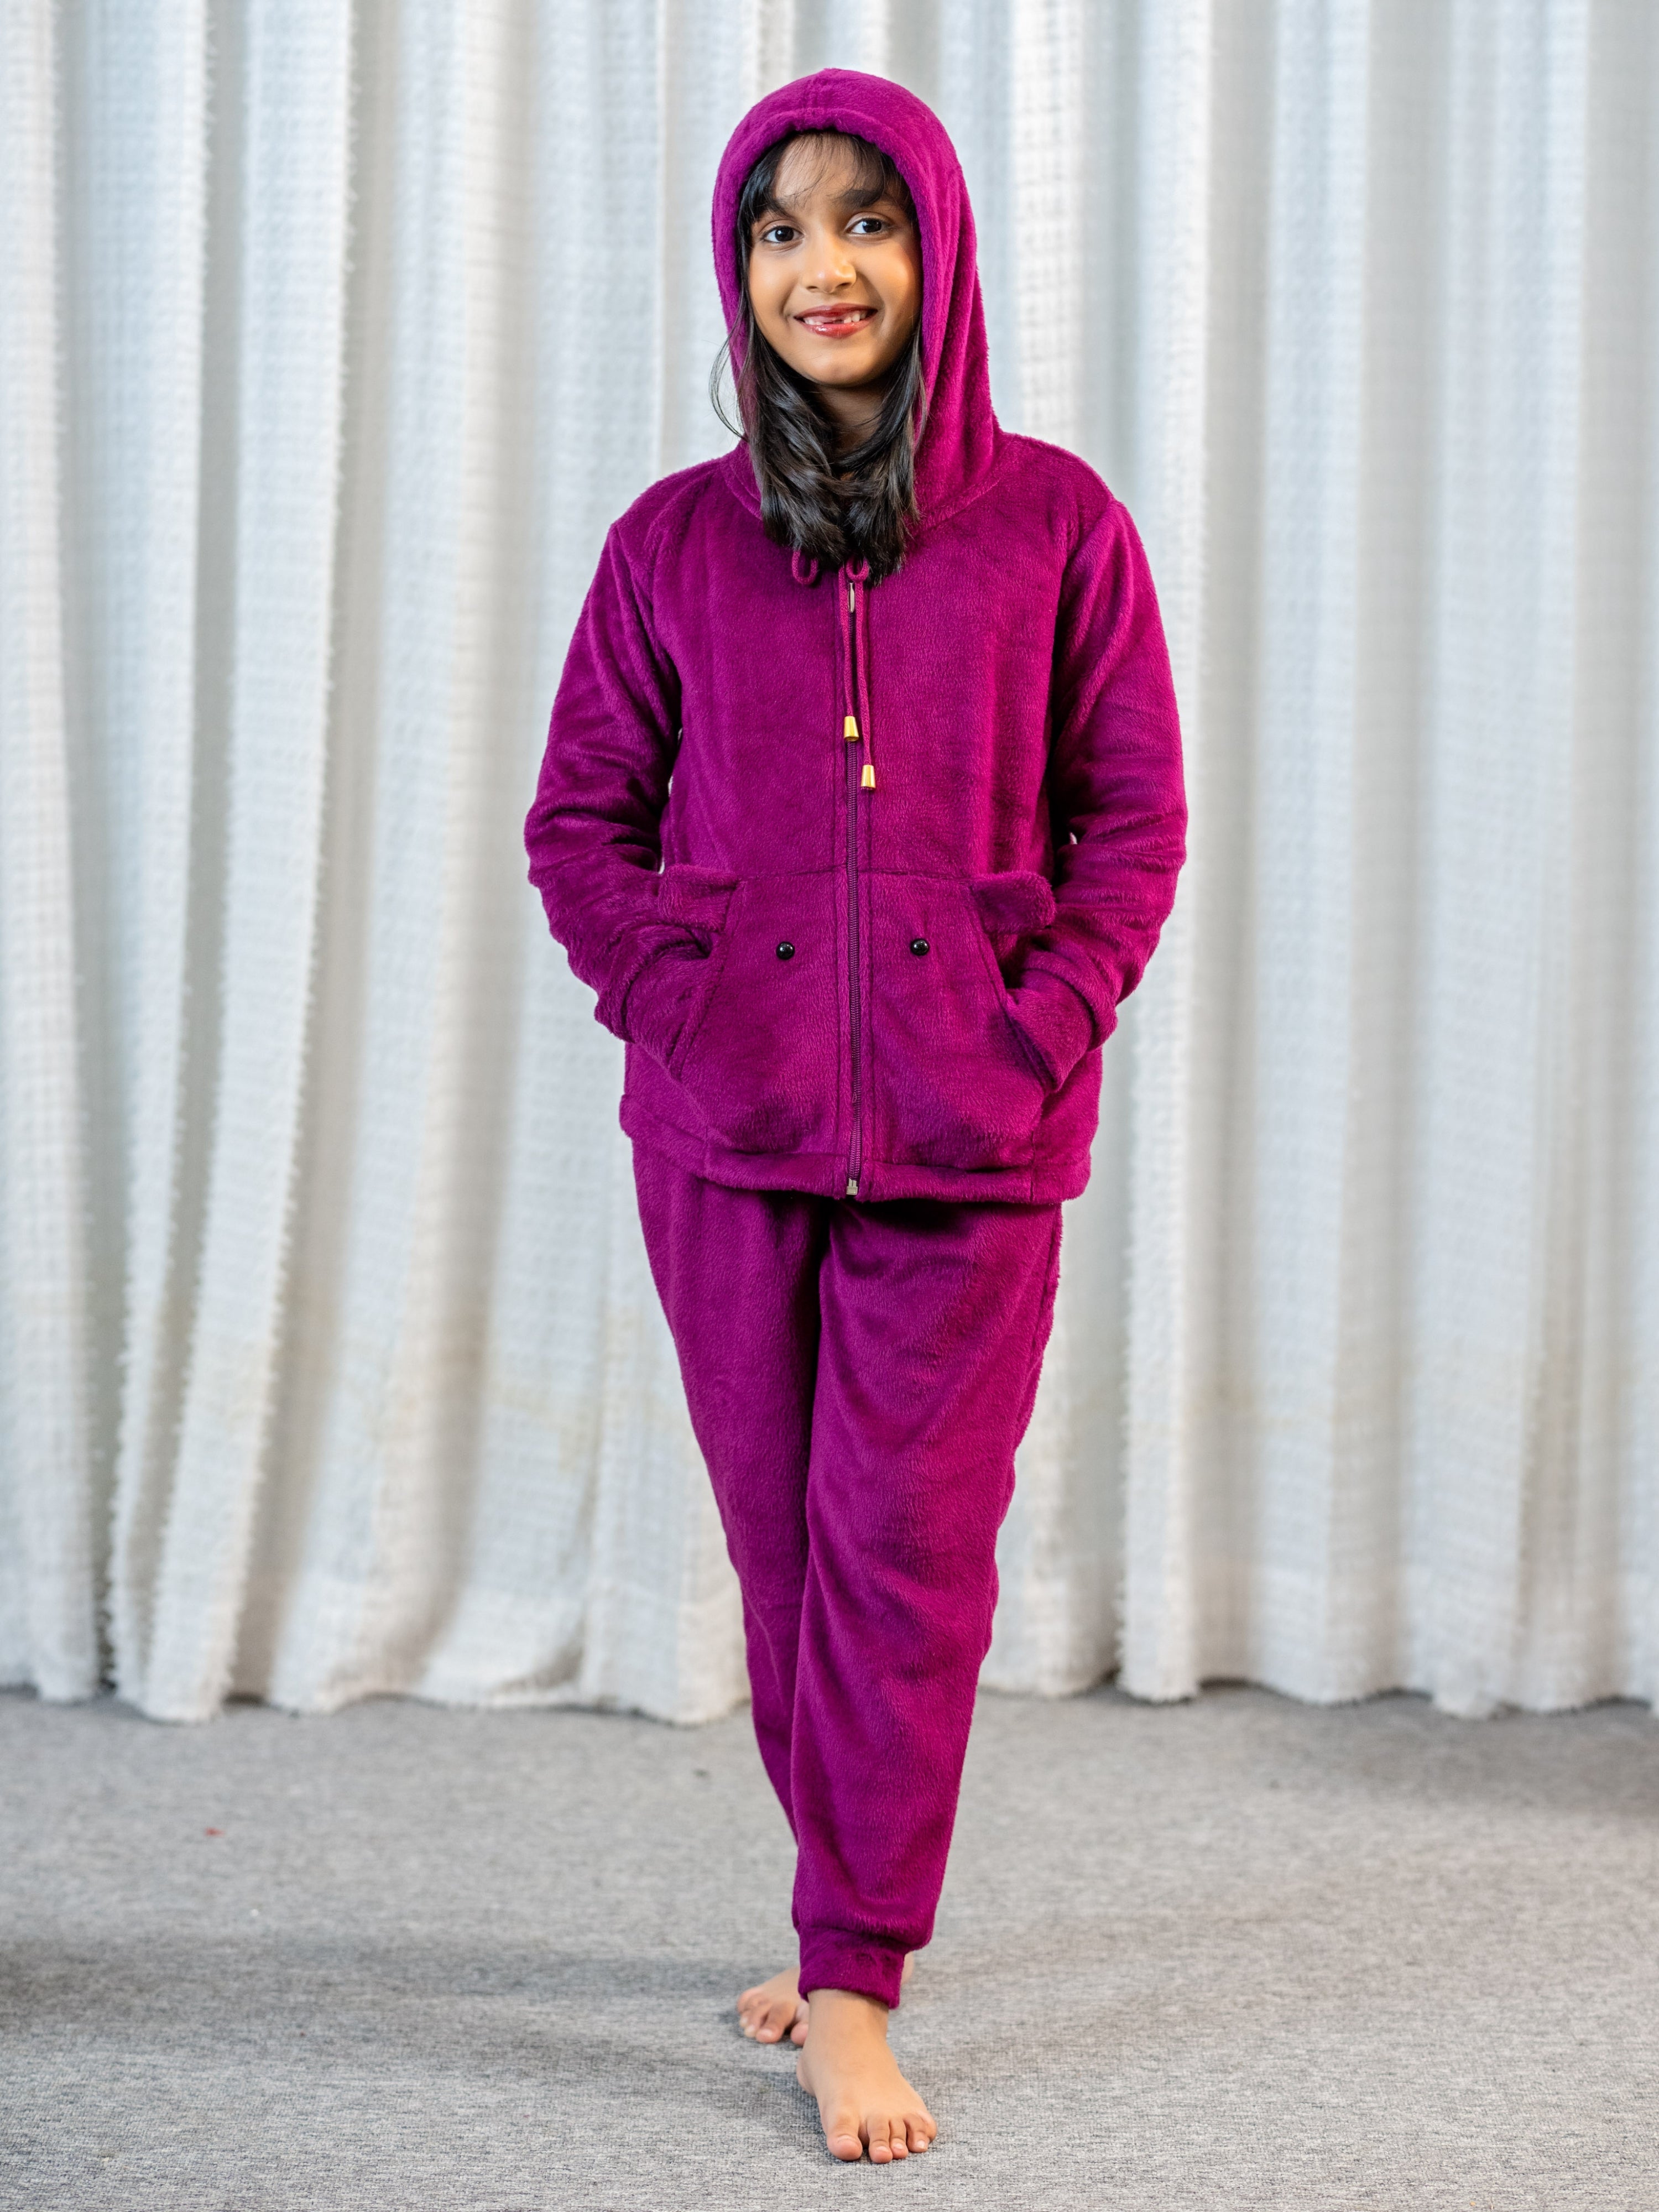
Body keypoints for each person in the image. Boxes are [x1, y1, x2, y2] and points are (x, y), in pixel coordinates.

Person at [524, 67, 1187, 2164]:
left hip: (974, 1147)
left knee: (905, 1555)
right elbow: (578, 824)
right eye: (780, 228)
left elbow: (1133, 824)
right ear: (738, 269)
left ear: (941, 248)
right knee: (783, 1559)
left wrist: (1037, 1021)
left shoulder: (1059, 526)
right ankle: (842, 1921)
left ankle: (852, 1984)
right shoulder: (669, 545)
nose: (825, 266)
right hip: (723, 1142)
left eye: (868, 221)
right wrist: (683, 1007)